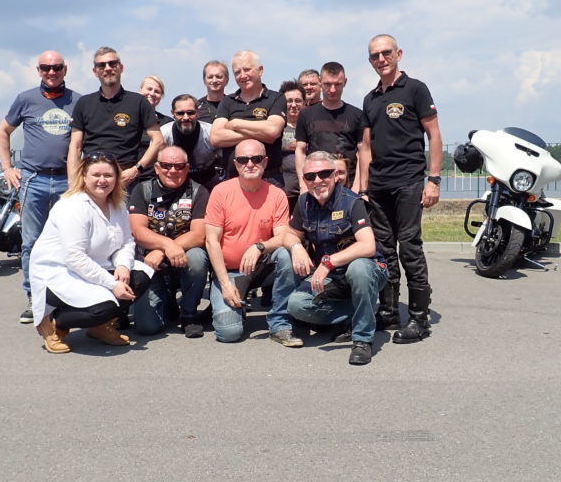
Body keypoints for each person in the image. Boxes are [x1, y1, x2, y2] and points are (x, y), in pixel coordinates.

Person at [360, 34, 442, 344]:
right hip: (378, 186)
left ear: (399, 54)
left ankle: (419, 319)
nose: (381, 59)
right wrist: (364, 187)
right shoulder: (370, 99)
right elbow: (366, 147)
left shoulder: (415, 89)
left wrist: (433, 180)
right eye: (374, 55)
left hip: (408, 181)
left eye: (386, 53)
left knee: (409, 248)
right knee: (384, 249)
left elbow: (434, 135)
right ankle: (389, 310)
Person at [28, 153, 153, 353]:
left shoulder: (118, 204)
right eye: (96, 175)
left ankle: (98, 327)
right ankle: (53, 322)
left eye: (108, 175)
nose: (102, 180)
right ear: (84, 177)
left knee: (140, 276)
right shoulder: (72, 206)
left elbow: (127, 242)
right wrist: (113, 284)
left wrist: (122, 266)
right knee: (105, 306)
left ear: (116, 178)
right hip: (59, 273)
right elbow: (75, 258)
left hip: (96, 266)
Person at [273, 151, 388, 365]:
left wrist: (328, 262)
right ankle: (360, 309)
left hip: (368, 269)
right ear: (304, 180)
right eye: (310, 176)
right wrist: (296, 247)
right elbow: (289, 235)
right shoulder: (304, 202)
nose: (318, 180)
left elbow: (368, 245)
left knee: (359, 269)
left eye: (324, 174)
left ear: (335, 175)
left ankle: (362, 339)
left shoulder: (352, 202)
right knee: (297, 305)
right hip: (333, 278)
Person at [0, 50, 81, 324]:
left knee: (70, 242)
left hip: (67, 180)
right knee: (32, 243)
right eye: (46, 67)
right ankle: (34, 297)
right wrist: (7, 167)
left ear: (65, 69)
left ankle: (66, 298)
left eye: (56, 67)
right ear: (38, 70)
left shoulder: (78, 101)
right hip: (34, 180)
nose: (51, 72)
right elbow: (3, 131)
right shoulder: (26, 99)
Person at [204, 139, 296, 345]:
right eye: (243, 160)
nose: (250, 164)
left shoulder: (277, 194)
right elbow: (211, 241)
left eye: (256, 159)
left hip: (262, 267)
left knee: (286, 254)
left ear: (265, 162)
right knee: (229, 333)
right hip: (230, 272)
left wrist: (259, 247)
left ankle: (280, 323)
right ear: (235, 164)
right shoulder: (220, 192)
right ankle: (231, 301)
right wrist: (225, 284)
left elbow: (283, 236)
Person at [128, 145, 210, 338]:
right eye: (166, 165)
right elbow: (138, 231)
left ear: (187, 168)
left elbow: (199, 235)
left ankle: (189, 314)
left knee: (198, 257)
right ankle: (167, 301)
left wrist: (164, 250)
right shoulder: (142, 190)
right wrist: (167, 245)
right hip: (151, 263)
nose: (173, 170)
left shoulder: (199, 192)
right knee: (147, 327)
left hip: (183, 258)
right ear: (157, 168)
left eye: (179, 166)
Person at [67, 47, 163, 190]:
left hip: (125, 180)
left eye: (112, 64)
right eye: (101, 65)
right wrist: (73, 182)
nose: (107, 68)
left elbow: (158, 140)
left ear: (121, 67)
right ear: (95, 71)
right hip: (91, 179)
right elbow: (75, 146)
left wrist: (136, 170)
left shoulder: (139, 102)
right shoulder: (84, 103)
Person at [209, 50, 286, 187]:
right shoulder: (227, 101)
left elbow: (272, 131)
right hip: (233, 180)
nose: (243, 75)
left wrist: (235, 124)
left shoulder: (276, 98)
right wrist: (261, 133)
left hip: (269, 179)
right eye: (237, 72)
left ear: (260, 70)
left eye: (247, 69)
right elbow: (216, 137)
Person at [295, 61, 369, 193]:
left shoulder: (357, 115)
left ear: (345, 82)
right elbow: (300, 151)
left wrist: (358, 186)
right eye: (328, 84)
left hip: (348, 187)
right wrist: (303, 185)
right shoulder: (306, 114)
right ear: (320, 81)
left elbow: (362, 152)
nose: (333, 89)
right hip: (315, 186)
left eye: (338, 84)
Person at [160, 94, 221, 188]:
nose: (185, 117)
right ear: (173, 113)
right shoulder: (163, 134)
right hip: (173, 182)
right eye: (180, 113)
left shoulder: (211, 132)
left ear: (198, 112)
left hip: (208, 181)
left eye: (190, 113)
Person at [136, 75, 171, 182]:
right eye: (149, 89)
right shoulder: (126, 118)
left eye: (157, 91)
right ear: (140, 91)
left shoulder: (168, 123)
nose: (152, 93)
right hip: (129, 177)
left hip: (156, 179)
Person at [279, 80, 305, 212]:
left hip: (306, 193)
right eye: (289, 101)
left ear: (304, 103)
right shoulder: (276, 128)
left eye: (298, 101)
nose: (293, 105)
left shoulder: (310, 127)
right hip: (282, 194)